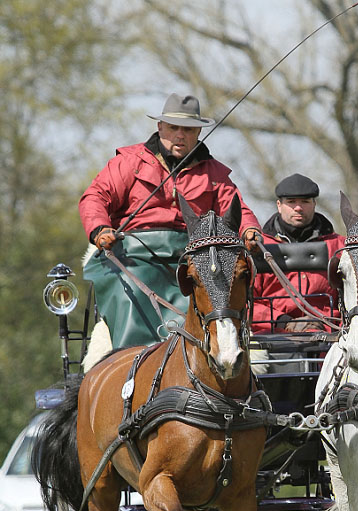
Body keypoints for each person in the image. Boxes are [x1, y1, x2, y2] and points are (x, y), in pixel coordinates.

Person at [79, 93, 262, 350]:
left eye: (188, 130)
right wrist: (99, 228)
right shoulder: (129, 162)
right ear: (160, 127)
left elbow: (237, 208)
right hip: (133, 257)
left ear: (198, 133)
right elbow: (95, 197)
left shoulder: (214, 173)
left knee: (212, 297)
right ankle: (132, 361)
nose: (180, 135)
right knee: (130, 293)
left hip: (191, 259)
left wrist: (250, 229)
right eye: (174, 128)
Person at [251, 173, 344, 334]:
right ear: (279, 205)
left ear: (314, 204)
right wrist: (283, 322)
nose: (298, 208)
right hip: (270, 337)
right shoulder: (257, 247)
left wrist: (328, 325)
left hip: (330, 336)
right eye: (291, 202)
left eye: (305, 202)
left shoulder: (340, 247)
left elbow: (355, 296)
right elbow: (243, 302)